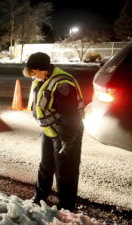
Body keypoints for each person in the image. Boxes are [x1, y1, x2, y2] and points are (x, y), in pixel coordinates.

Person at [23, 52, 85, 211]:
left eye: (34, 72)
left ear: (43, 69)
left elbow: (70, 116)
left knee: (65, 170)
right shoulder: (43, 79)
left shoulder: (63, 83)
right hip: (50, 131)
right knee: (45, 165)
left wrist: (67, 140)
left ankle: (66, 205)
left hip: (67, 132)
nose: (33, 76)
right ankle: (39, 197)